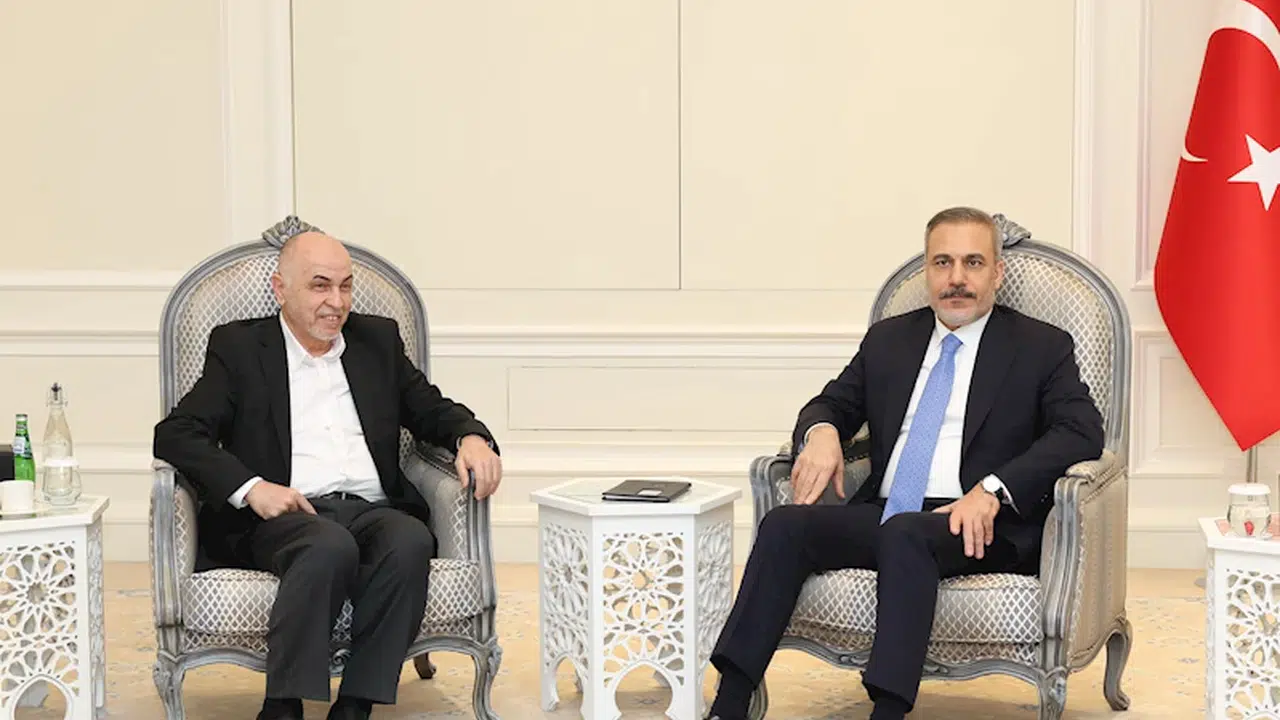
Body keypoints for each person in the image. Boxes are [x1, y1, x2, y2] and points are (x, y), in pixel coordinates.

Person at [704, 206, 1105, 720]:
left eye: (973, 263)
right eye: (942, 263)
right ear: (927, 272)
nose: (956, 278)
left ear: (997, 273)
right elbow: (831, 403)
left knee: (906, 533)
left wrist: (992, 489)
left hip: (975, 524)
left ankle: (888, 710)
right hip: (889, 510)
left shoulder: (1039, 346)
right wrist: (822, 432)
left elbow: (1081, 431)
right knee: (785, 525)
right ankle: (730, 703)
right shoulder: (889, 340)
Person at [153, 231, 503, 720]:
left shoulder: (376, 340)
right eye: (320, 286)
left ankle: (356, 704)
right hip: (285, 515)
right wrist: (252, 489)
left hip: (372, 509)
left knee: (410, 540)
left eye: (345, 286)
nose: (336, 302)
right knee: (327, 545)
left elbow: (431, 409)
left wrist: (471, 437)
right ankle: (283, 706)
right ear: (281, 289)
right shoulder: (239, 347)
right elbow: (176, 433)